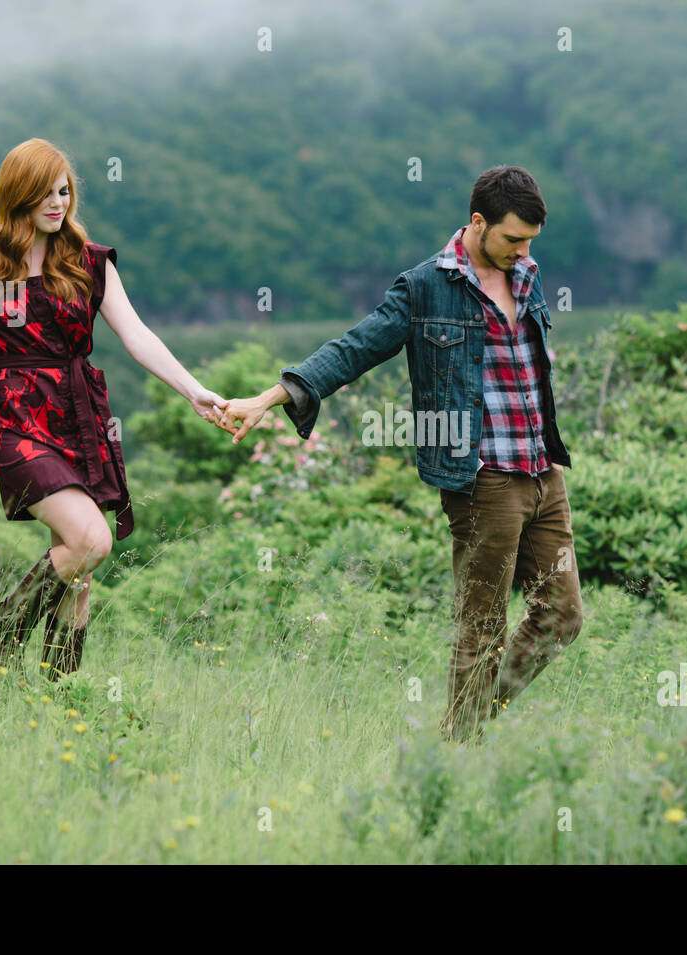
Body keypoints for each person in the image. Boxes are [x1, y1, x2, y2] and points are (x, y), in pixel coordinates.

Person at [216, 165, 583, 742]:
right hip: (483, 479)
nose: (523, 251)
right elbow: (354, 348)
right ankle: (461, 750)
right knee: (481, 626)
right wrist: (268, 397)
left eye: (531, 241)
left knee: (563, 616)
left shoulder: (525, 274)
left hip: (543, 472)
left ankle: (476, 719)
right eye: (513, 239)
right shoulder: (424, 288)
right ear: (478, 222)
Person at [0, 138, 228, 681]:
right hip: (12, 420)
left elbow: (137, 335)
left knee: (79, 574)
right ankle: (6, 626)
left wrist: (194, 390)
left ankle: (54, 696)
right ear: (16, 196)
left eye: (63, 191)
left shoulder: (88, 262)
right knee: (92, 541)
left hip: (78, 415)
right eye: (44, 193)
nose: (57, 203)